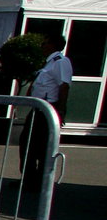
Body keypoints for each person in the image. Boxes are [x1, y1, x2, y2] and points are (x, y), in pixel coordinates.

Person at [23, 32, 72, 181]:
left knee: (42, 145)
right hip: (38, 108)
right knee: (28, 142)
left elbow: (64, 86)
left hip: (48, 108)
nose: (42, 46)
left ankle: (40, 180)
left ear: (53, 45)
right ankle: (29, 177)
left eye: (45, 43)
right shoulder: (48, 62)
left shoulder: (60, 62)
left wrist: (61, 110)